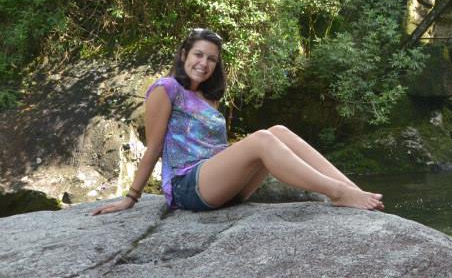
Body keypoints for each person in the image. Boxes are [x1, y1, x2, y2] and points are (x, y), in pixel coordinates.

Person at [92, 28, 384, 216]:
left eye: (212, 59)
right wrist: (131, 197)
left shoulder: (209, 98)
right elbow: (154, 148)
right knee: (261, 138)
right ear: (183, 55)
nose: (203, 64)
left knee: (278, 131)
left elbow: (216, 149)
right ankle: (338, 193)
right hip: (188, 186)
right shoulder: (165, 89)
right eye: (198, 55)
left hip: (222, 185)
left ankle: (352, 191)